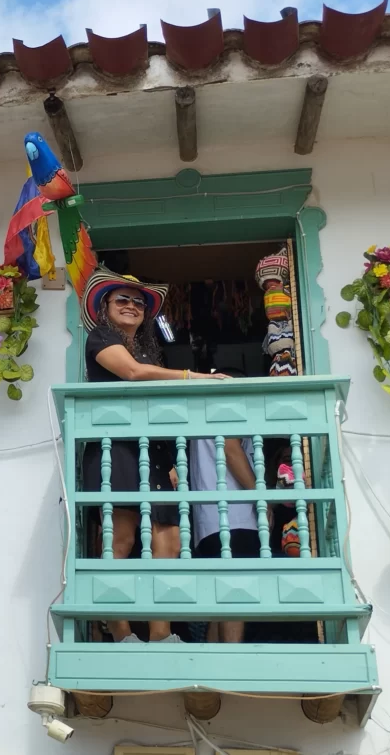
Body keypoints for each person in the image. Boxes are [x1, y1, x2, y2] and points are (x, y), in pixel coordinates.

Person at [80, 266, 229, 644]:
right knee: (123, 539)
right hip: (118, 449)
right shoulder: (100, 338)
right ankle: (121, 633)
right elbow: (131, 373)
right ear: (104, 308)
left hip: (155, 453)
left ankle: (161, 634)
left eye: (139, 302)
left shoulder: (149, 349)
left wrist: (173, 461)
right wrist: (198, 377)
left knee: (169, 539)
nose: (131, 306)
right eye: (122, 300)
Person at [188, 367, 259, 643]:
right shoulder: (224, 408)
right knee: (236, 594)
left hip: (207, 523)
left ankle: (212, 676)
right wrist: (261, 499)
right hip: (233, 515)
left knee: (220, 601)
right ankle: (233, 671)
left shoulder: (199, 418)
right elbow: (230, 449)